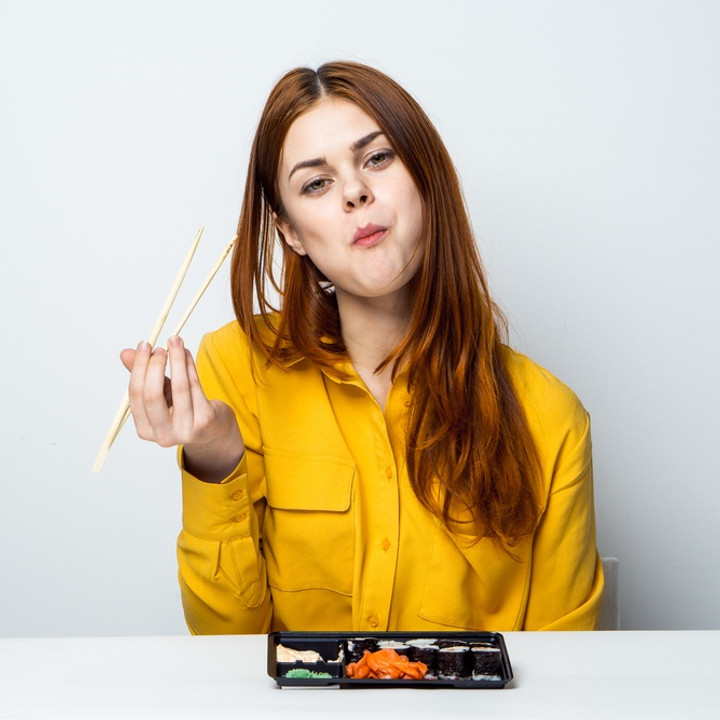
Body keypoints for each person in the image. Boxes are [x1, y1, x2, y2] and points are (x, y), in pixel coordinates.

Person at [121, 61, 604, 634]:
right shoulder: (235, 367)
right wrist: (215, 456)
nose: (355, 192)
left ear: (427, 176)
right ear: (291, 231)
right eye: (316, 183)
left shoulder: (552, 419)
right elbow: (226, 644)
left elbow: (566, 667)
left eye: (377, 158)